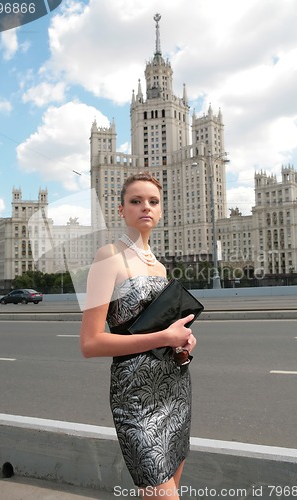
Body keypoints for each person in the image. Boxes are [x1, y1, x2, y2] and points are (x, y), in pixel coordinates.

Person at [80, 172, 196, 499]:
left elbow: (165, 333)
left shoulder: (160, 268)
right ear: (121, 210)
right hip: (135, 398)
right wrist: (164, 338)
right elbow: (90, 344)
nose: (145, 207)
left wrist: (182, 345)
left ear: (161, 211)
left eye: (153, 201)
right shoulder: (108, 257)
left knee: (171, 489)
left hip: (175, 389)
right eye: (136, 201)